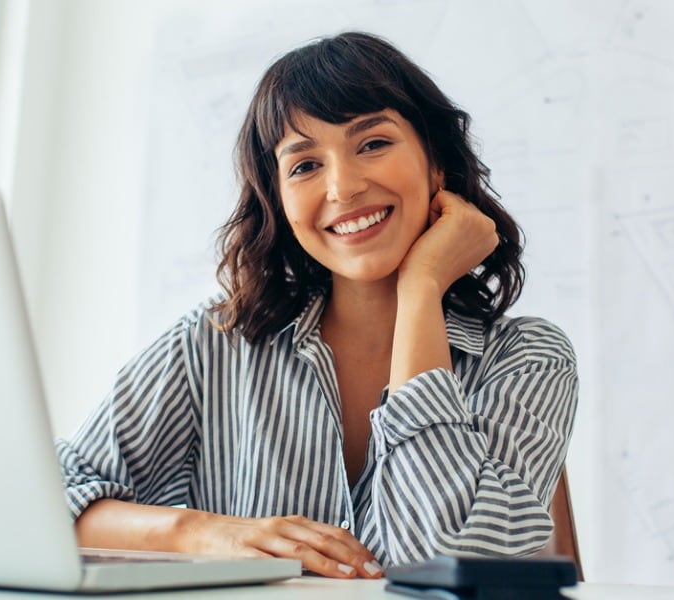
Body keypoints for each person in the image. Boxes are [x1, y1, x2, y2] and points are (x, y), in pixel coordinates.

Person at [55, 31, 578, 580]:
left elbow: (447, 564)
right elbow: (48, 503)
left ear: (436, 166)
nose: (344, 187)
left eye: (373, 143)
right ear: (279, 200)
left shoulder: (530, 357)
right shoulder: (214, 342)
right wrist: (203, 532)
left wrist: (421, 290)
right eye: (304, 166)